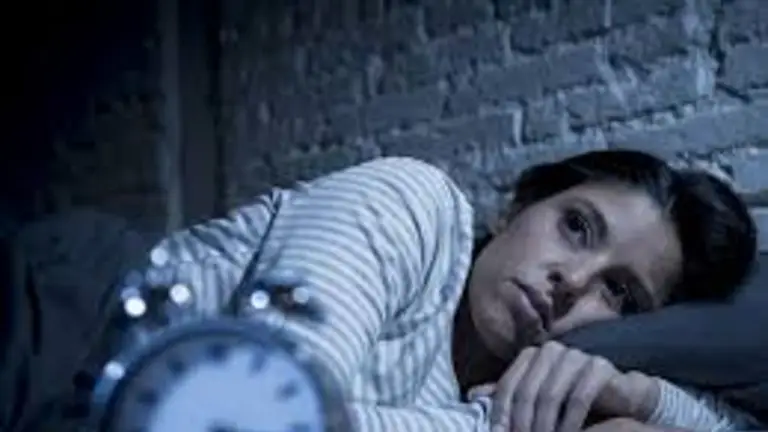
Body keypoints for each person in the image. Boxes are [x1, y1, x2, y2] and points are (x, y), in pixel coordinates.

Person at [145, 150, 758, 431]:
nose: (572, 282)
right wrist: (488, 425)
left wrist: (635, 395)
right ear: (516, 207)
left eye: (619, 293)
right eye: (575, 227)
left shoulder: (530, 384)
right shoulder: (414, 204)